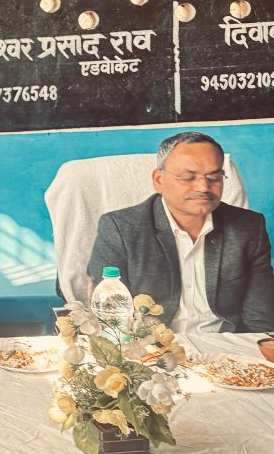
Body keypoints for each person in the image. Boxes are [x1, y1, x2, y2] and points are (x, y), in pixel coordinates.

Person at [88, 131, 274, 333]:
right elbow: (111, 318)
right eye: (188, 177)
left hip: (226, 344)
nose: (203, 187)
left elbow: (260, 321)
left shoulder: (248, 227)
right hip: (151, 345)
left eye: (214, 177)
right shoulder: (120, 228)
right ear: (159, 180)